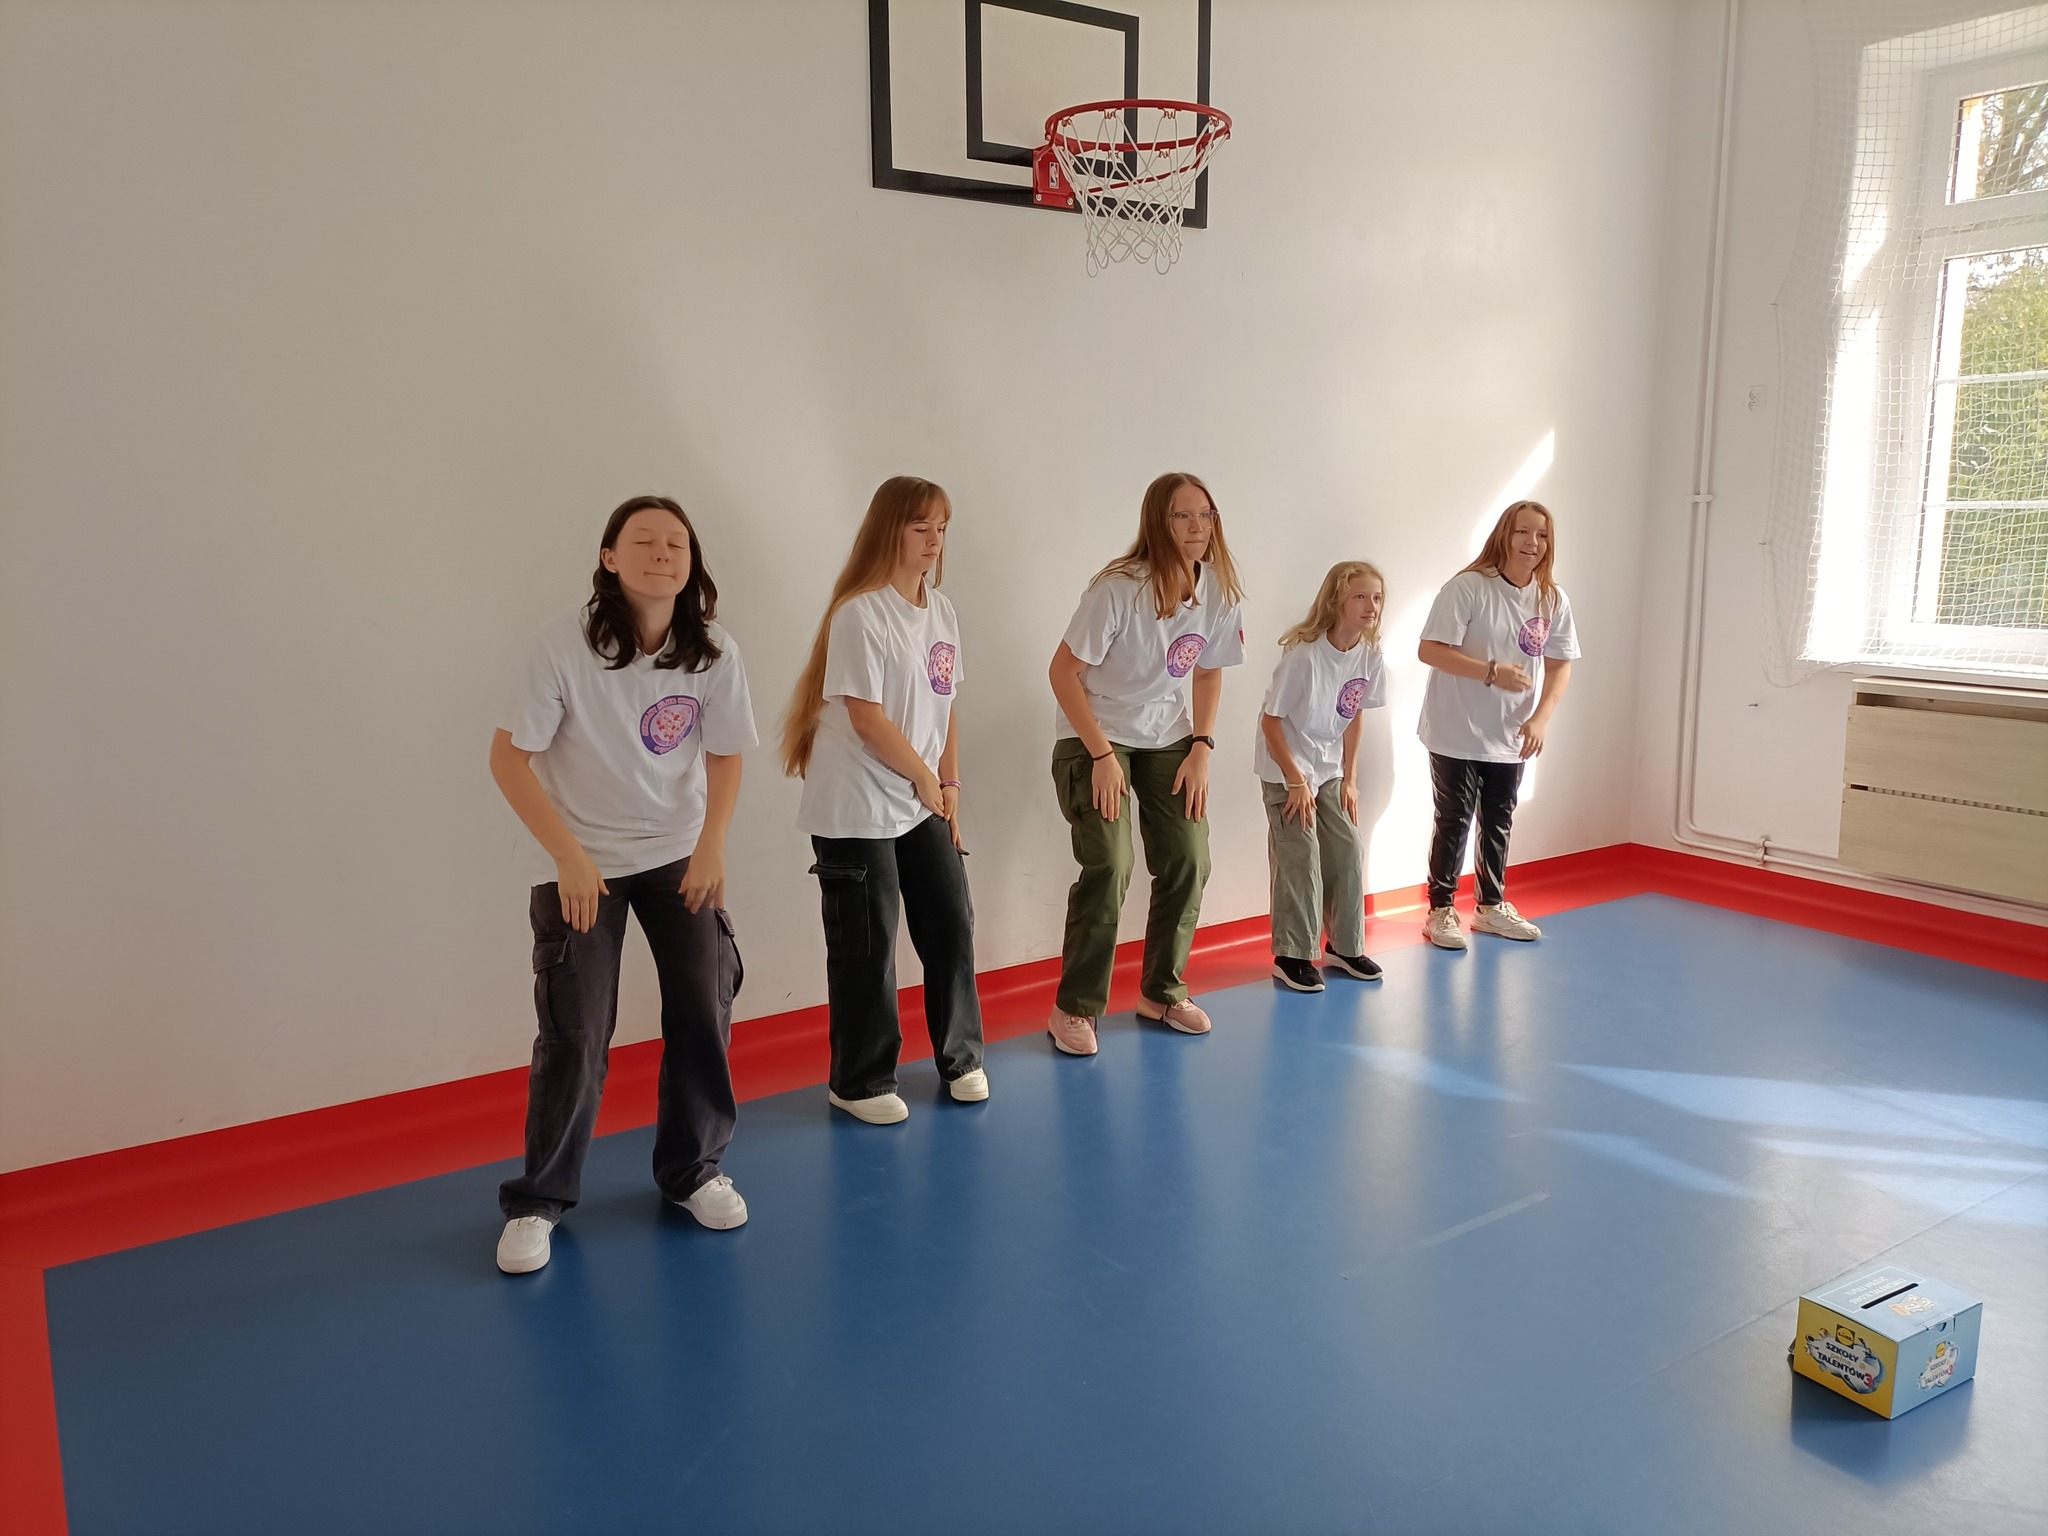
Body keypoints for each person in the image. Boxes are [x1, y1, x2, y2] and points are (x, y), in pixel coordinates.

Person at [488, 495, 755, 1276]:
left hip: (678, 853)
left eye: (676, 543)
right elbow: (510, 759)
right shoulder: (561, 645)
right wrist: (569, 857)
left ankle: (692, 1170)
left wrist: (713, 844)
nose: (662, 553)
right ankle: (539, 1199)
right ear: (610, 558)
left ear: (691, 563)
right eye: (643, 541)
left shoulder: (714, 652)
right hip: (584, 859)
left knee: (703, 1010)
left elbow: (727, 753)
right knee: (575, 1033)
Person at [782, 476, 985, 1124]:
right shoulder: (860, 613)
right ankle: (860, 1081)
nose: (934, 539)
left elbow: (946, 706)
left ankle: (961, 1057)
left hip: (918, 793)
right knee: (868, 944)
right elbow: (866, 718)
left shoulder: (942, 611)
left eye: (942, 527)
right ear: (888, 531)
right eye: (920, 526)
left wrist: (949, 785)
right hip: (857, 803)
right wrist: (925, 778)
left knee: (950, 921)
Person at [1045, 472, 1246, 1055]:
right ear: (1159, 522)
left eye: (1206, 515)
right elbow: (1062, 674)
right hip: (1094, 733)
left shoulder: (1218, 590)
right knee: (1111, 864)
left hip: (1168, 735)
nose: (1197, 527)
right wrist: (1102, 754)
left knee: (1189, 857)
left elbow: (1207, 673)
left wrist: (1202, 747)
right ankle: (1073, 1008)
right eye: (1183, 516)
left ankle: (1162, 992)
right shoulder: (1118, 590)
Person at [1415, 499, 1579, 949]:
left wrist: (1541, 718)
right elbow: (1429, 650)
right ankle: (1440, 910)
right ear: (1504, 535)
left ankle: (1490, 907)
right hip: (1456, 727)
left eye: (1542, 535)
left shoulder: (1552, 598)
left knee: (1499, 817)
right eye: (1523, 531)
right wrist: (1491, 672)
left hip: (1510, 732)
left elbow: (1560, 664)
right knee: (1454, 818)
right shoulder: (1468, 587)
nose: (1532, 542)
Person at [1256, 562, 1388, 992]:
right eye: (1360, 596)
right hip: (1287, 767)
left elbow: (1354, 714)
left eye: (1377, 597)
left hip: (1328, 767)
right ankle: (1291, 955)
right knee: (1301, 856)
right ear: (1337, 600)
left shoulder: (1370, 656)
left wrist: (1350, 777)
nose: (1371, 606)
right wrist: (1295, 781)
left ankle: (1344, 947)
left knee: (1347, 850)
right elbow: (1271, 722)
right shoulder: (1304, 657)